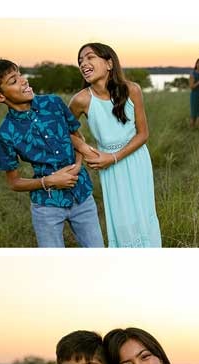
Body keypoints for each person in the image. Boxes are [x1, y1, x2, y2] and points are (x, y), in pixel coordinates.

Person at [0, 59, 104, 248]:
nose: (24, 80)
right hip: (46, 207)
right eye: (13, 81)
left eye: (20, 74)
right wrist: (49, 181)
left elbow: (76, 135)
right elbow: (14, 182)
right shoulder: (6, 133)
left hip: (82, 196)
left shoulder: (54, 103)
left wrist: (77, 165)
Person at [69, 42, 161, 248]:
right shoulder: (81, 99)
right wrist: (84, 149)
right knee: (122, 218)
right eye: (80, 61)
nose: (83, 63)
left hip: (136, 158)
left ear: (109, 63)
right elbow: (65, 130)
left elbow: (143, 134)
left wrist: (114, 157)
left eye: (90, 57)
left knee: (143, 213)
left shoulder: (132, 90)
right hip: (109, 167)